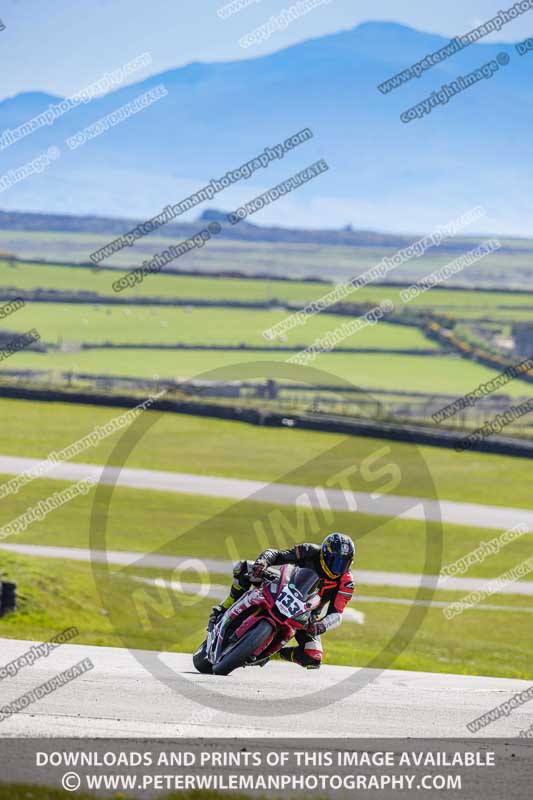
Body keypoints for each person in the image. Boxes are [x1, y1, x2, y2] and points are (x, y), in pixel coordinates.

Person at [209, 532, 355, 669]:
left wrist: (321, 626)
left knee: (313, 658)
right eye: (334, 561)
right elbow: (276, 554)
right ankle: (224, 606)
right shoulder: (309, 551)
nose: (338, 568)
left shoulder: (346, 582)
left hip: (306, 614)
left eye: (344, 563)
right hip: (282, 585)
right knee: (244, 567)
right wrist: (262, 563)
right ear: (324, 554)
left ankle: (272, 654)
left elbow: (337, 614)